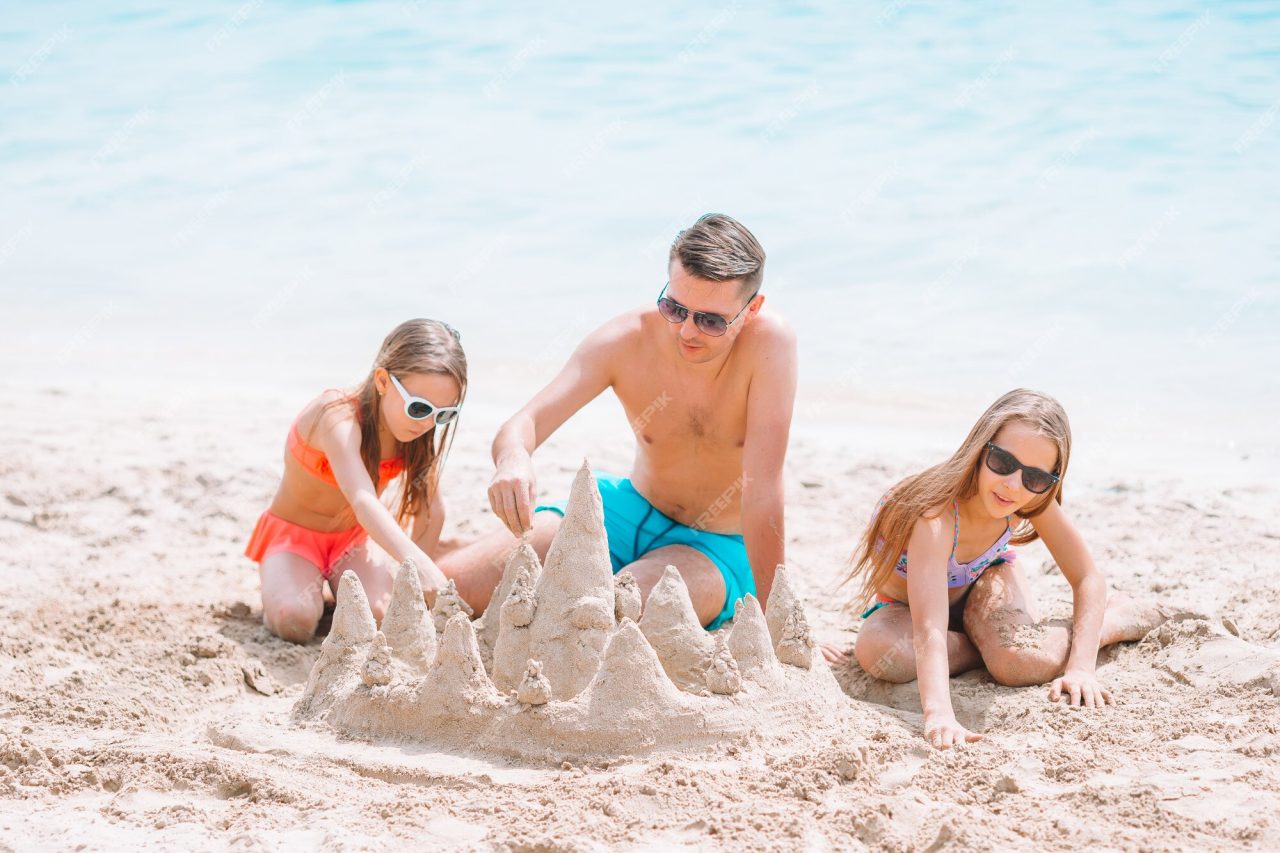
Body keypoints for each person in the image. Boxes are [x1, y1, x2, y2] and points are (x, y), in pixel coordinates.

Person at [440, 213, 796, 630]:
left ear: (752, 308)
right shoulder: (626, 339)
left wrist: (782, 616)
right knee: (447, 593)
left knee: (604, 612)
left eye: (711, 320)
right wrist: (514, 458)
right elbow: (524, 423)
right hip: (623, 512)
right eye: (675, 307)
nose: (686, 331)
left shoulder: (770, 346)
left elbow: (762, 492)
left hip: (714, 546)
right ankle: (457, 549)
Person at [825, 388, 1166, 750]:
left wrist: (1081, 667)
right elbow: (929, 628)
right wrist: (939, 715)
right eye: (1003, 462)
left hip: (987, 579)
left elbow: (1087, 576)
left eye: (1035, 478)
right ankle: (989, 648)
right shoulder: (935, 515)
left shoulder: (1028, 500)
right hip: (913, 609)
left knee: (1020, 664)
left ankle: (1111, 621)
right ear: (980, 447)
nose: (1013, 485)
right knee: (881, 651)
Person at [245, 319, 466, 642]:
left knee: (381, 615)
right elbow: (362, 499)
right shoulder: (336, 416)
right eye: (419, 408)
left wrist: (416, 582)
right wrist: (417, 562)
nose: (429, 423)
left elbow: (432, 510)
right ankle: (293, 587)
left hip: (350, 543)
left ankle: (333, 594)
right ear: (382, 381)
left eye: (444, 414)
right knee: (294, 620)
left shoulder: (415, 434)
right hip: (293, 537)